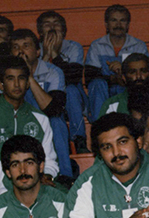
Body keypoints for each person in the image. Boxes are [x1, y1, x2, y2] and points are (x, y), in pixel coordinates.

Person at [0, 56, 59, 181]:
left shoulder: (40, 118)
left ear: (28, 83)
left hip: (34, 181)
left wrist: (47, 176)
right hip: (0, 183)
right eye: (10, 79)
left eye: (21, 78)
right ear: (1, 85)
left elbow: (49, 160)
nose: (17, 84)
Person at [9, 29, 72, 178]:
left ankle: (65, 177)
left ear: (38, 51)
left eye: (26, 46)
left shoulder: (53, 71)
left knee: (57, 122)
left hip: (46, 119)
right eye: (16, 47)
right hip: (19, 118)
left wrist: (29, 77)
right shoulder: (6, 73)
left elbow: (54, 109)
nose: (20, 52)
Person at [85, 4, 149, 122]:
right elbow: (89, 76)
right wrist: (114, 79)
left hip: (127, 90)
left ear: (128, 25)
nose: (118, 25)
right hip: (104, 92)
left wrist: (124, 70)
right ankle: (100, 125)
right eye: (114, 20)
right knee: (97, 84)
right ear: (106, 25)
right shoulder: (97, 46)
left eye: (122, 20)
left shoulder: (138, 46)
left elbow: (146, 75)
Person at [36, 10, 89, 152]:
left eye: (56, 24)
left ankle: (79, 141)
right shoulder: (34, 48)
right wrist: (46, 56)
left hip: (73, 101)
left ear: (64, 30)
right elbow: (35, 79)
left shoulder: (73, 46)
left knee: (71, 89)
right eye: (47, 24)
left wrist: (55, 54)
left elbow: (73, 78)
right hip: (47, 100)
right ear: (40, 31)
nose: (52, 27)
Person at [98, 53, 149, 117]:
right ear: (124, 78)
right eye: (132, 72)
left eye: (143, 71)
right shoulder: (111, 106)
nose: (138, 76)